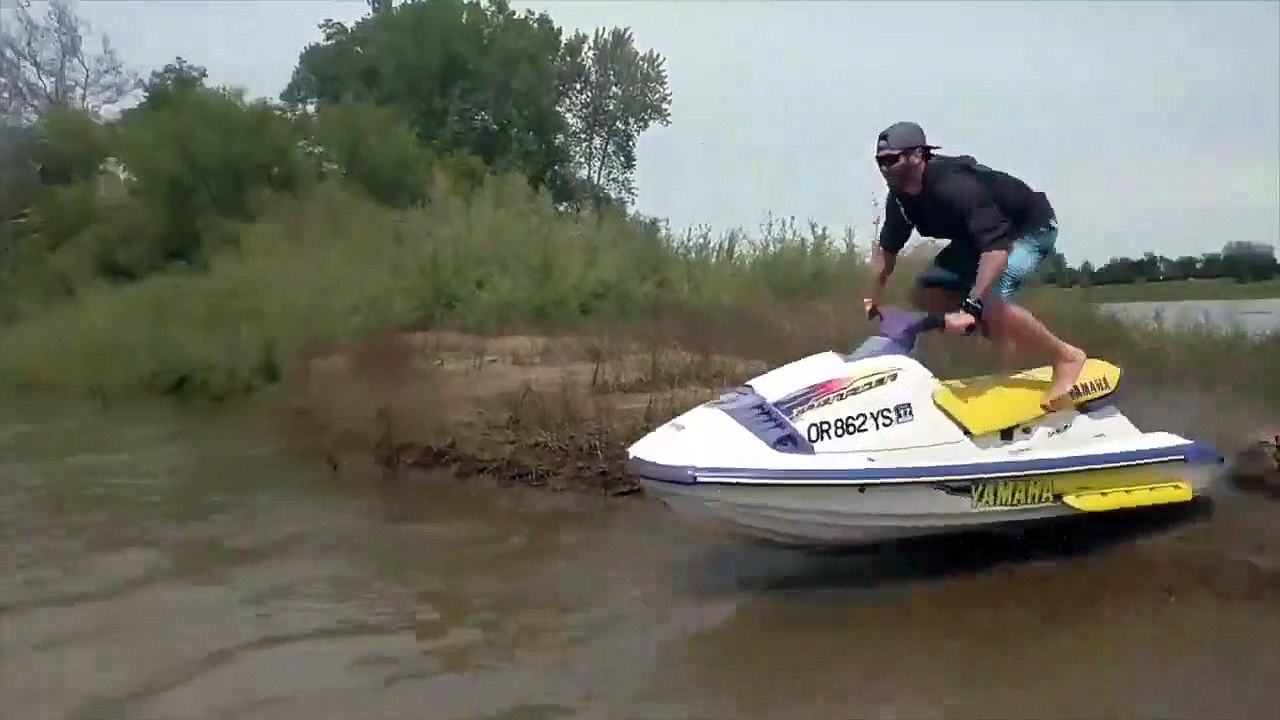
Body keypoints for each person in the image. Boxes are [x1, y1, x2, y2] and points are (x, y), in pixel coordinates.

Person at [862, 121, 1087, 410]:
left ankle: (1067, 357)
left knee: (988, 303)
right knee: (926, 293)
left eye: (892, 160)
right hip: (977, 242)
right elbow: (887, 252)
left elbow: (996, 252)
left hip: (1028, 228)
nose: (884, 168)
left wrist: (972, 308)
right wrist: (873, 296)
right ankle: (1003, 343)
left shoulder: (956, 186)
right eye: (880, 161)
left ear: (918, 155)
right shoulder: (901, 200)